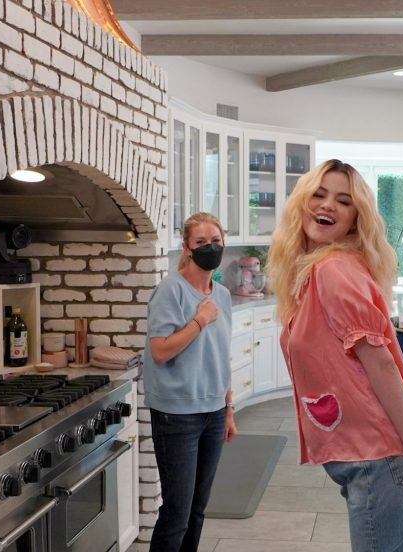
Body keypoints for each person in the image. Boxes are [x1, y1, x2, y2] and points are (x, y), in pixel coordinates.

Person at [266, 159, 403, 552]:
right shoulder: (317, 273)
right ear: (302, 203)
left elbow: (381, 364)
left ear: (355, 219)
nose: (328, 205)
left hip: (384, 459)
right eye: (319, 194)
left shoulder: (333, 271)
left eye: (344, 201)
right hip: (372, 461)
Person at [143, 212, 238, 552]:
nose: (209, 247)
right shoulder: (171, 290)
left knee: (197, 510)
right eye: (201, 242)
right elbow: (159, 351)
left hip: (214, 412)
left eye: (215, 241)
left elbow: (220, 356)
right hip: (177, 415)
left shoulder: (222, 295)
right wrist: (199, 321)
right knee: (177, 514)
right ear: (186, 247)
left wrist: (228, 409)